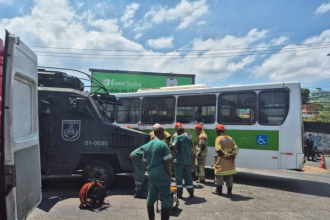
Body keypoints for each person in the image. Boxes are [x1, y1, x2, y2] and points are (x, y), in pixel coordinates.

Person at [143, 125, 172, 220]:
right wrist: (170, 174)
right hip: (162, 175)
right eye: (163, 133)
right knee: (165, 200)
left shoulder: (147, 145)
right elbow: (167, 163)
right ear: (160, 133)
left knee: (150, 199)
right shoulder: (163, 145)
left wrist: (149, 170)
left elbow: (144, 162)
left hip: (152, 175)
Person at [213, 124, 238, 196]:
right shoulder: (230, 138)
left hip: (221, 161)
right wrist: (232, 155)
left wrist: (227, 156)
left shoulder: (218, 139)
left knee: (219, 176)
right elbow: (235, 148)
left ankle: (219, 192)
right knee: (229, 176)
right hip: (230, 162)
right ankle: (229, 193)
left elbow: (218, 150)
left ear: (218, 131)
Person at [171, 127, 194, 199]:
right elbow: (192, 147)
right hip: (187, 161)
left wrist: (175, 151)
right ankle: (191, 193)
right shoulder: (189, 138)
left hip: (179, 161)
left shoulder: (178, 137)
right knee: (188, 177)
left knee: (178, 177)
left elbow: (173, 145)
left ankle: (180, 194)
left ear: (178, 131)